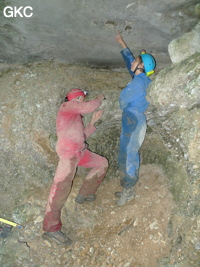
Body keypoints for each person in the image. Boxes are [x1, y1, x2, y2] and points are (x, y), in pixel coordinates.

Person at [42, 88, 108, 245]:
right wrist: (99, 97)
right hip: (69, 155)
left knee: (101, 163)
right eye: (83, 98)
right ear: (77, 98)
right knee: (60, 189)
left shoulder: (75, 117)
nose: (84, 101)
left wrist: (92, 122)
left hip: (80, 153)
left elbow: (82, 136)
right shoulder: (66, 107)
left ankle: (84, 194)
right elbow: (88, 107)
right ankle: (51, 230)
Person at [115, 31, 156, 205]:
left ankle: (129, 190)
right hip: (133, 119)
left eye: (136, 61)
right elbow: (129, 63)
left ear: (140, 66)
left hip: (133, 119)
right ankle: (127, 186)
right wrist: (122, 44)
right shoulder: (141, 79)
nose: (132, 62)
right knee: (126, 153)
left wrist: (122, 105)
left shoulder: (139, 83)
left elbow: (123, 100)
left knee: (128, 154)